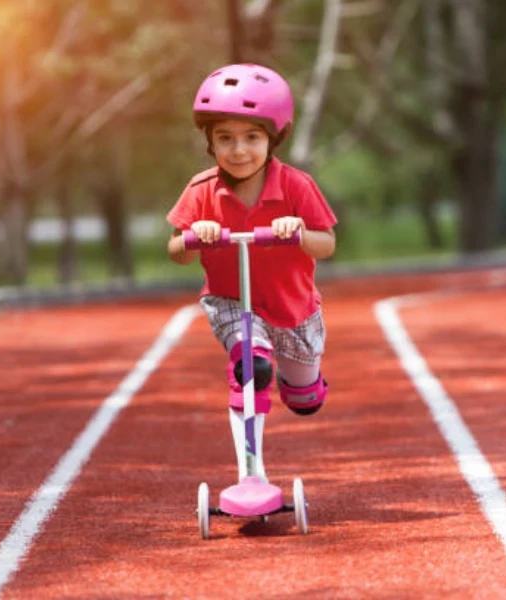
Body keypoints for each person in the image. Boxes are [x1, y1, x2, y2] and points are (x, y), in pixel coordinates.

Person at [165, 63, 337, 481]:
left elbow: (327, 244)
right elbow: (175, 251)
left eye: (251, 138)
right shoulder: (201, 189)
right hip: (231, 301)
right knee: (250, 368)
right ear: (209, 141)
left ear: (272, 138)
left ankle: (298, 382)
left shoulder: (296, 185)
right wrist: (194, 236)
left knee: (304, 399)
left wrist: (298, 233)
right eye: (225, 138)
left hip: (292, 308)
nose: (238, 150)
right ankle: (250, 475)